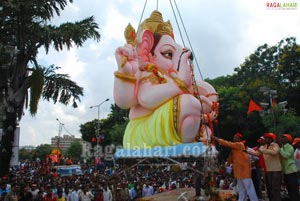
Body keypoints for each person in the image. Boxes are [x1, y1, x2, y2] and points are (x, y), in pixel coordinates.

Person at [213, 133, 258, 201]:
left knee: (249, 188)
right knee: (241, 189)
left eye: (236, 137)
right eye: (234, 137)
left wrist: (217, 139)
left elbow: (228, 144)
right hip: (239, 172)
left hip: (244, 171)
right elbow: (230, 159)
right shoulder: (234, 148)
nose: (234, 139)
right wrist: (226, 167)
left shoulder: (239, 144)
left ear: (239, 139)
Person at [247, 133, 282, 201]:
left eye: (267, 138)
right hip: (268, 170)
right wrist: (247, 151)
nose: (266, 139)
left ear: (271, 139)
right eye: (265, 138)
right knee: (269, 187)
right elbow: (256, 153)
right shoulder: (263, 147)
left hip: (276, 169)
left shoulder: (275, 145)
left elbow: (275, 152)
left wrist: (264, 150)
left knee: (275, 187)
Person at [279, 134, 300, 201]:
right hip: (286, 171)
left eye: (283, 138)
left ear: (288, 140)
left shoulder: (290, 147)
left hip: (291, 171)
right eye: (281, 138)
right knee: (289, 188)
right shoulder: (282, 147)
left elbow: (286, 156)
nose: (281, 139)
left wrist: (280, 149)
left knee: (294, 189)